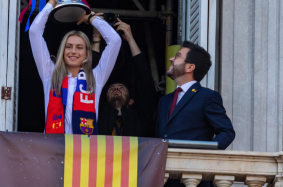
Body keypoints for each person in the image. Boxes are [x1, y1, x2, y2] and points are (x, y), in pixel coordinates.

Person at [29, 0, 121, 135]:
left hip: (84, 152)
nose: (73, 51)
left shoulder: (96, 77)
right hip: (53, 148)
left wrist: (92, 18)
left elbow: (115, 41)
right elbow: (34, 32)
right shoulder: (50, 73)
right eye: (68, 47)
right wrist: (51, 4)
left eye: (79, 47)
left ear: (86, 54)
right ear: (62, 51)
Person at [156, 41, 235, 187]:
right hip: (164, 178)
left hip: (192, 178)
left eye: (178, 56)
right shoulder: (165, 100)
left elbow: (227, 132)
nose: (171, 59)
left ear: (190, 67)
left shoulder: (207, 96)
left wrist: (203, 156)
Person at [96, 19, 158, 137]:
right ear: (104, 101)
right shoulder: (98, 114)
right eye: (112, 88)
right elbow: (93, 77)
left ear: (131, 101)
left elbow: (144, 79)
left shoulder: (140, 115)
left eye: (121, 87)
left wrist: (131, 40)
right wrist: (96, 37)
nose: (116, 89)